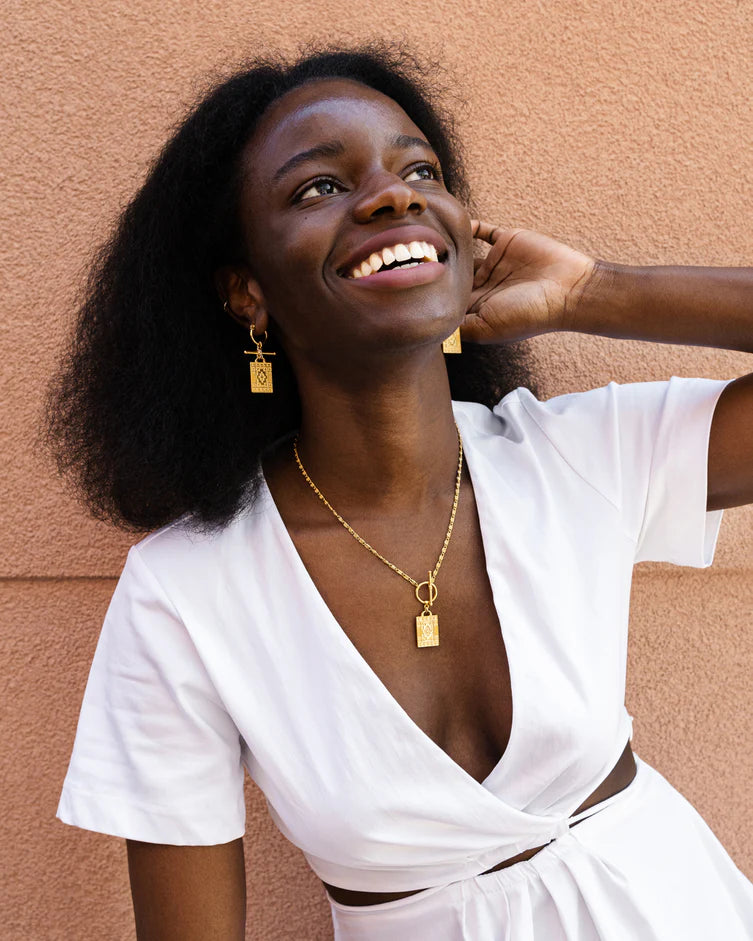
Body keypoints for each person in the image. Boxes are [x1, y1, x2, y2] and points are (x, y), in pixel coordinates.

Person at [49, 43, 753, 940]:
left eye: (419, 170)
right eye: (318, 187)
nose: (392, 197)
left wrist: (593, 291)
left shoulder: (573, 456)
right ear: (246, 292)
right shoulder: (183, 593)